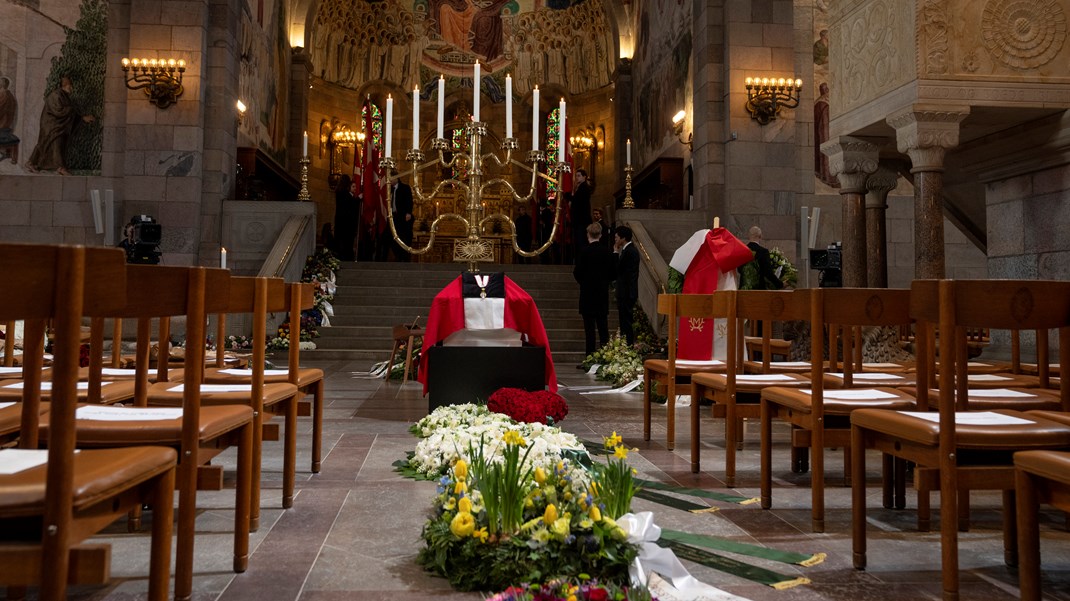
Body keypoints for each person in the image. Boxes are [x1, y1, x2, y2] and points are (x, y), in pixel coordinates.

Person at [25, 76, 95, 175]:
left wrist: (82, 117)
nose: (71, 88)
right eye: (70, 85)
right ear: (65, 85)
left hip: (58, 125)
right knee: (53, 143)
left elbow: (68, 112)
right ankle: (60, 167)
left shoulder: (64, 96)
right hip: (50, 125)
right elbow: (59, 111)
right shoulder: (56, 95)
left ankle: (32, 163)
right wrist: (73, 111)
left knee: (49, 144)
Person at [573, 222, 615, 363]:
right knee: (603, 328)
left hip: (587, 294)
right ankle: (605, 358)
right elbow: (613, 273)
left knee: (589, 330)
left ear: (588, 235)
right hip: (602, 293)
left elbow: (577, 272)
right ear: (601, 235)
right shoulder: (607, 252)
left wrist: (584, 283)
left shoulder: (584, 251)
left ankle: (589, 358)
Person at [613, 225, 640, 345]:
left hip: (627, 292)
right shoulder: (627, 250)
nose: (615, 239)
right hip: (625, 292)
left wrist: (615, 253)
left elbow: (618, 269)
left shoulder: (630, 251)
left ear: (623, 238)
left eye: (617, 237)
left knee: (626, 322)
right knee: (624, 321)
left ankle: (628, 346)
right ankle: (626, 345)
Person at [743, 225, 785, 291]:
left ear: (749, 236)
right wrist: (780, 284)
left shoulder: (742, 251)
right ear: (760, 236)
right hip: (759, 290)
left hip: (743, 290)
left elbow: (739, 270)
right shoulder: (763, 252)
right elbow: (768, 273)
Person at [569, 168, 593, 260]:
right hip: (580, 221)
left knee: (581, 242)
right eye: (576, 176)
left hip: (582, 221)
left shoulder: (584, 188)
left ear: (584, 177)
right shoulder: (580, 187)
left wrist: (568, 196)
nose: (577, 178)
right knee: (580, 242)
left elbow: (577, 201)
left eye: (579, 176)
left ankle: (582, 261)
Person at [333, 174, 358, 261]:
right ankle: (346, 259)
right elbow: (350, 205)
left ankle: (340, 258)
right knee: (347, 243)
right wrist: (358, 199)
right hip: (346, 223)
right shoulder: (345, 193)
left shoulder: (338, 192)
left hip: (339, 221)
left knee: (340, 242)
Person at [390, 175, 414, 261]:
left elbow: (409, 200)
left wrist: (408, 212)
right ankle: (398, 256)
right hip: (394, 217)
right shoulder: (390, 189)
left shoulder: (405, 187)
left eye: (391, 178)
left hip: (403, 217)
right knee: (393, 238)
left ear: (396, 178)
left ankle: (404, 257)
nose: (389, 180)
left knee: (404, 238)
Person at [0, 77, 18, 164]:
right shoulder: (11, 96)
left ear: (2, 84)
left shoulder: (2, 94)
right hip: (8, 126)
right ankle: (10, 156)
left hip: (1, 125)